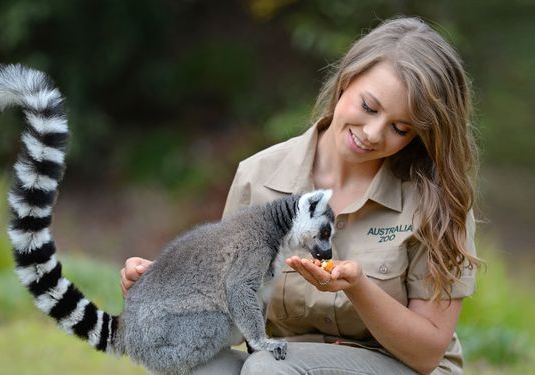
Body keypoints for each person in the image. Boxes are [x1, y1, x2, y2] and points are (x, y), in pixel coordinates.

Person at [120, 16, 481, 375]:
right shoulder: (257, 177)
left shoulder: (435, 201)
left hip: (396, 367)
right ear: (347, 80)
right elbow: (229, 319)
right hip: (282, 359)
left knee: (267, 370)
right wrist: (165, 294)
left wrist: (357, 288)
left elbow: (427, 354)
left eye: (400, 129)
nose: (373, 133)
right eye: (369, 107)